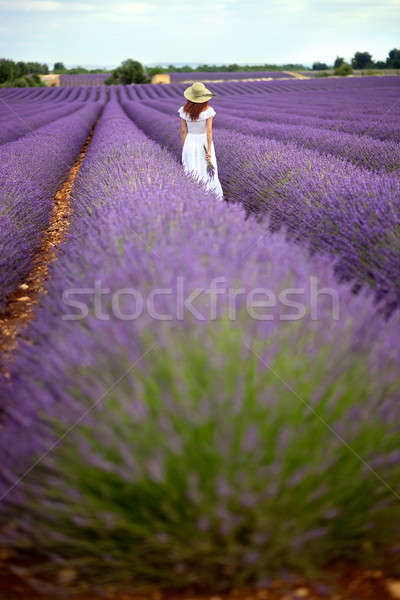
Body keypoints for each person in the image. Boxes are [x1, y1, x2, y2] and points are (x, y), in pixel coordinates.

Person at [178, 82, 224, 201]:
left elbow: (183, 131)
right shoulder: (208, 111)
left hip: (190, 142)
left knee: (191, 169)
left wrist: (184, 148)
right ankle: (211, 198)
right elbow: (209, 132)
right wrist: (208, 151)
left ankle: (192, 198)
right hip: (203, 142)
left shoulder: (183, 111)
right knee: (206, 170)